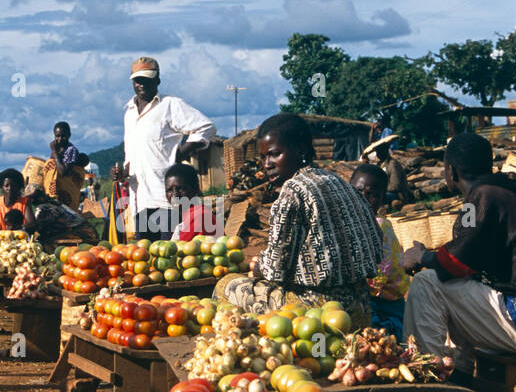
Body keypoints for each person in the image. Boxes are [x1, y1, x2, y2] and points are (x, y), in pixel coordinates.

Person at [400, 132, 516, 376]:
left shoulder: (483, 197)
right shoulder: (501, 194)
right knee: (453, 287)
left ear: (451, 172)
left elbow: (458, 261)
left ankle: (428, 375)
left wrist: (421, 257)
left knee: (427, 283)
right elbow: (470, 258)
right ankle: (460, 375)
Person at [214, 114, 382, 324]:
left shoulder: (293, 191)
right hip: (360, 307)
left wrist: (259, 268)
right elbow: (376, 248)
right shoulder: (340, 182)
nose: (267, 164)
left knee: (226, 285)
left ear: (301, 149)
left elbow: (275, 270)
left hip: (318, 311)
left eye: (274, 154)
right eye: (264, 157)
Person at [114, 56, 216, 241]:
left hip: (167, 200)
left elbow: (206, 127)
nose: (142, 85)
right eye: (138, 80)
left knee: (169, 256)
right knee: (146, 260)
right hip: (140, 200)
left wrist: (182, 151)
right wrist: (122, 173)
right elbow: (132, 155)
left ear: (157, 80)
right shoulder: (129, 113)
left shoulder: (170, 105)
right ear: (132, 82)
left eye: (147, 79)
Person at [349, 164, 411, 337]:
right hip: (371, 299)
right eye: (358, 191)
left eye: (372, 195)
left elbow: (378, 277)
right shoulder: (351, 226)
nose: (363, 198)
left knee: (382, 343)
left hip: (384, 305)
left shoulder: (380, 226)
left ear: (382, 200)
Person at [164, 163, 215, 241]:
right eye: (169, 190)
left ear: (195, 189)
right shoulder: (187, 216)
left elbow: (179, 249)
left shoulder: (199, 216)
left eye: (181, 189)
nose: (175, 194)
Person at [44, 121, 87, 209]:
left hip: (66, 192)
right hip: (56, 190)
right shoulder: (57, 149)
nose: (60, 139)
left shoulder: (71, 150)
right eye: (57, 136)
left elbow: (62, 172)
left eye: (63, 136)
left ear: (69, 135)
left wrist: (55, 152)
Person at [0, 168, 36, 232]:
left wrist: (18, 228)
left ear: (18, 187)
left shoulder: (24, 202)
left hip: (17, 240)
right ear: (2, 187)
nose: (9, 188)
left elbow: (31, 223)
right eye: (6, 186)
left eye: (13, 185)